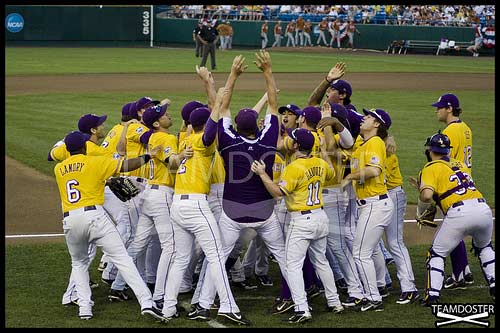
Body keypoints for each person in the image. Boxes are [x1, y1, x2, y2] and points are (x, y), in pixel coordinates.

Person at [194, 52, 289, 323]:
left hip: (232, 211)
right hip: (264, 212)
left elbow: (220, 107)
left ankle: (202, 303)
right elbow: (273, 104)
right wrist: (268, 71)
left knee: (217, 258)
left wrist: (233, 76)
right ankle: (299, 302)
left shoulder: (228, 140)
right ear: (257, 126)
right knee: (284, 258)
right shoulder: (269, 138)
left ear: (236, 125)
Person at [161, 90, 250, 325]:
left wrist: (180, 156)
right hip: (195, 207)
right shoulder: (201, 142)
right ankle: (229, 307)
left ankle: (168, 308)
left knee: (181, 259)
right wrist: (219, 103)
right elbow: (210, 131)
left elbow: (170, 161)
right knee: (217, 256)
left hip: (178, 206)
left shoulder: (184, 140)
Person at [54, 130, 164, 321]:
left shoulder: (59, 169)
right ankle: (146, 302)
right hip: (95, 217)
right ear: (84, 146)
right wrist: (149, 156)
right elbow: (127, 164)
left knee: (79, 263)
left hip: (70, 221)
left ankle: (85, 308)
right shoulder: (95, 162)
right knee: (122, 258)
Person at [252, 128, 344, 324]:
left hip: (302, 221)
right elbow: (332, 173)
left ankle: (302, 308)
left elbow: (278, 192)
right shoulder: (319, 162)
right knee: (321, 261)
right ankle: (335, 302)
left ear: (295, 145)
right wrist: (324, 154)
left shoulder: (293, 168)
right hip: (320, 217)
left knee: (292, 266)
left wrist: (262, 174)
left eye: (291, 140)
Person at [109, 103, 193, 309]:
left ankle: (118, 286)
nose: (168, 116)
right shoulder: (166, 138)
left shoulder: (154, 137)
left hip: (148, 195)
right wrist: (183, 156)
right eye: (165, 115)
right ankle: (159, 295)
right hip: (162, 195)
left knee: (139, 243)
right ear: (157, 122)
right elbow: (171, 163)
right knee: (170, 247)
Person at [415, 132, 495, 305]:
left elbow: (427, 195)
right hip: (483, 209)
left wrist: (421, 208)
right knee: (485, 247)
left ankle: (432, 296)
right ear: (447, 151)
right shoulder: (461, 164)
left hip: (459, 214)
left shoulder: (430, 168)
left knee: (436, 253)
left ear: (429, 150)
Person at [340, 108, 394, 312]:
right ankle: (376, 289)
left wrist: (349, 177)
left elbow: (373, 170)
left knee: (361, 253)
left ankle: (373, 297)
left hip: (375, 204)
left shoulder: (374, 142)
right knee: (367, 251)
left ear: (377, 124)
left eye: (369, 117)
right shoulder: (363, 143)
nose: (364, 119)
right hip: (371, 205)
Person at [427, 93, 475, 291]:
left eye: (439, 107)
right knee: (457, 229)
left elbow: (444, 160)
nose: (437, 110)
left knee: (452, 229)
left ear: (449, 108)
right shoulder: (465, 128)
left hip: (453, 185)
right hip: (466, 181)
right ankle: (464, 271)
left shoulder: (450, 131)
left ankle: (459, 275)